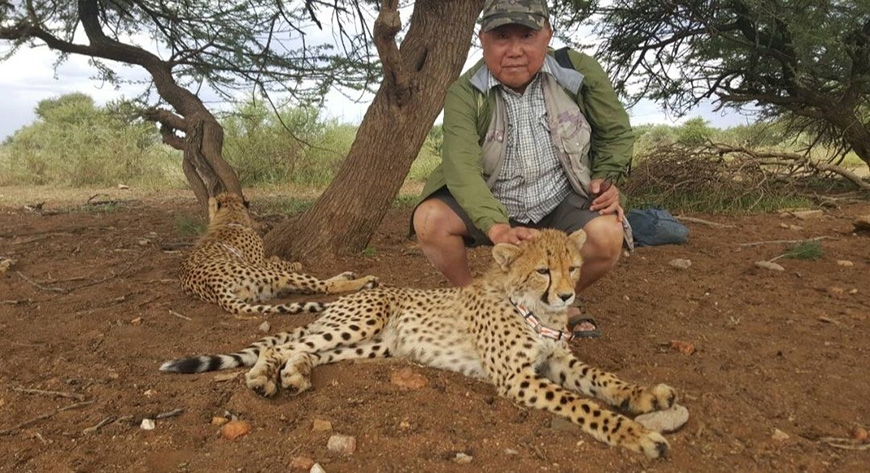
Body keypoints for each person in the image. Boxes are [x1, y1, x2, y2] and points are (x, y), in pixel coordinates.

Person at [411, 0, 634, 336]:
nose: (514, 50)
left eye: (527, 36)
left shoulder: (578, 72)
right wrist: (496, 226)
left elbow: (615, 131)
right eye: (501, 37)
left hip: (562, 199)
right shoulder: (464, 93)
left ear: (547, 36)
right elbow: (460, 166)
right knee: (429, 220)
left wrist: (604, 178)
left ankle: (558, 303)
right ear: (483, 39)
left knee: (608, 236)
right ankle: (479, 302)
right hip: (495, 201)